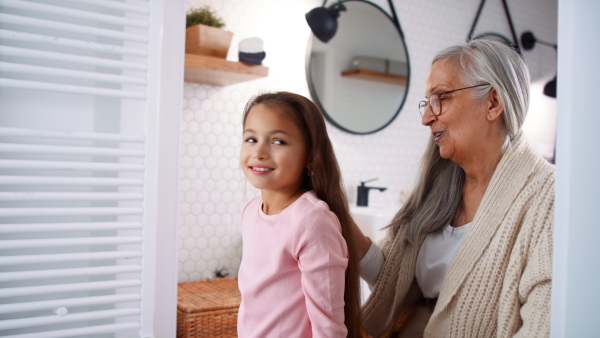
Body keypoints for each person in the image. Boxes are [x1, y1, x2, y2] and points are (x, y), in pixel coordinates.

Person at [354, 39, 554, 337]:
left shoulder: (548, 197)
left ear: (493, 103)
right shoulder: (439, 186)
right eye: (427, 101)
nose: (425, 118)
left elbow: (543, 324)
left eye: (442, 97)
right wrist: (331, 207)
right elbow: (392, 280)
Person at [237, 92, 362, 337]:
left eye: (278, 142)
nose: (259, 151)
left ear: (310, 156)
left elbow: (329, 326)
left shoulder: (312, 221)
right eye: (251, 138)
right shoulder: (251, 212)